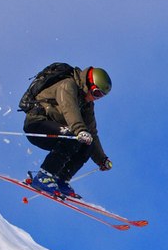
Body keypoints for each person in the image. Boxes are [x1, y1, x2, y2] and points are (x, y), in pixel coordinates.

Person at [24, 66, 113, 198]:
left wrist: (102, 159)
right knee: (74, 137)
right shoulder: (68, 85)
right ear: (89, 83)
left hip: (60, 131)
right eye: (96, 93)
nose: (96, 98)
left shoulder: (87, 104)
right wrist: (80, 130)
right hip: (37, 124)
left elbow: (92, 132)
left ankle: (60, 179)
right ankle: (44, 176)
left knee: (87, 144)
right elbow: (69, 109)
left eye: (100, 96)